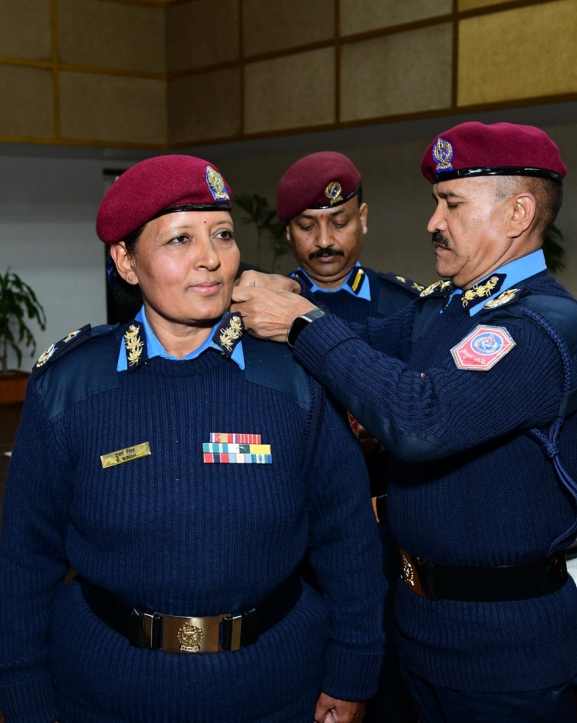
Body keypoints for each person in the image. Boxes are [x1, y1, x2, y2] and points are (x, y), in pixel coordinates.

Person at [0, 155, 385, 723]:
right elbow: (25, 560)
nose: (211, 258)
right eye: (180, 239)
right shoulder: (71, 384)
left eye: (222, 235)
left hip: (277, 687)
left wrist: (353, 668)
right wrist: (23, 695)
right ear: (126, 262)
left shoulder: (294, 375)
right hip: (105, 689)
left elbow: (347, 536)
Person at [231, 122, 577, 722]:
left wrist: (298, 321)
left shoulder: (541, 329)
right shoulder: (447, 309)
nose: (432, 222)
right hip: (423, 630)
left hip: (509, 653)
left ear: (518, 213)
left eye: (451, 203)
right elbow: (359, 349)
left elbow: (420, 419)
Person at [278, 151, 421, 723]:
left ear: (364, 218)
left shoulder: (408, 307)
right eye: (307, 225)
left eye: (339, 221)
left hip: (392, 537)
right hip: (294, 538)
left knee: (390, 685)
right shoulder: (257, 308)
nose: (325, 240)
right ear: (288, 231)